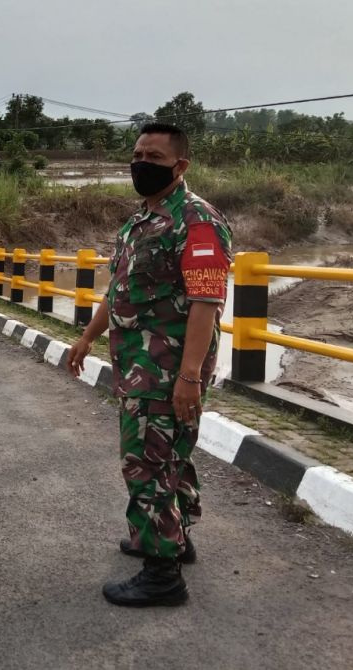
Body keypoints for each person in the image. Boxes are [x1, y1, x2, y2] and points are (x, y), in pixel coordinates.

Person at [66, 123, 232, 608]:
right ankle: (174, 539)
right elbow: (120, 290)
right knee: (168, 455)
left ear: (180, 166)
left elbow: (206, 302)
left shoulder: (196, 221)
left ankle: (162, 573)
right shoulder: (143, 218)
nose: (141, 162)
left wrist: (188, 376)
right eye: (137, 153)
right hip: (139, 363)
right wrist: (87, 338)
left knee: (146, 461)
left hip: (167, 368)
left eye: (153, 156)